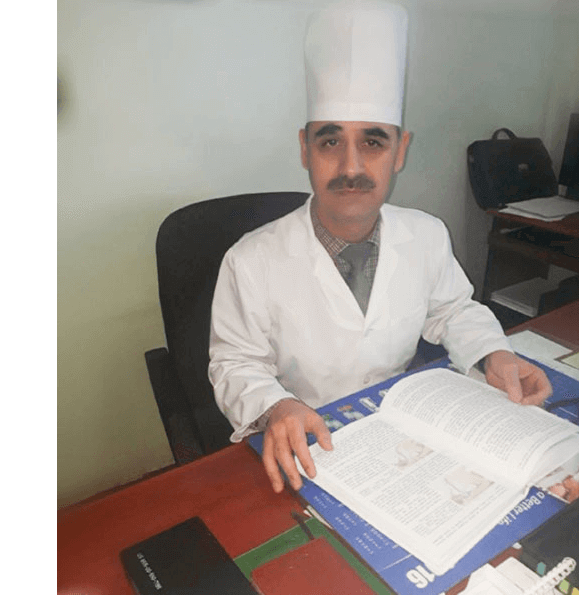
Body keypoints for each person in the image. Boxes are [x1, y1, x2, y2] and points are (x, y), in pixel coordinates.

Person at [208, 0, 551, 494]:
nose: (351, 167)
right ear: (304, 148)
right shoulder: (249, 260)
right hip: (305, 448)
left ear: (401, 150)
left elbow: (453, 310)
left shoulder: (427, 234)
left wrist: (493, 354)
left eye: (373, 142)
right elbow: (235, 364)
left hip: (405, 436)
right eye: (330, 142)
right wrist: (276, 406)